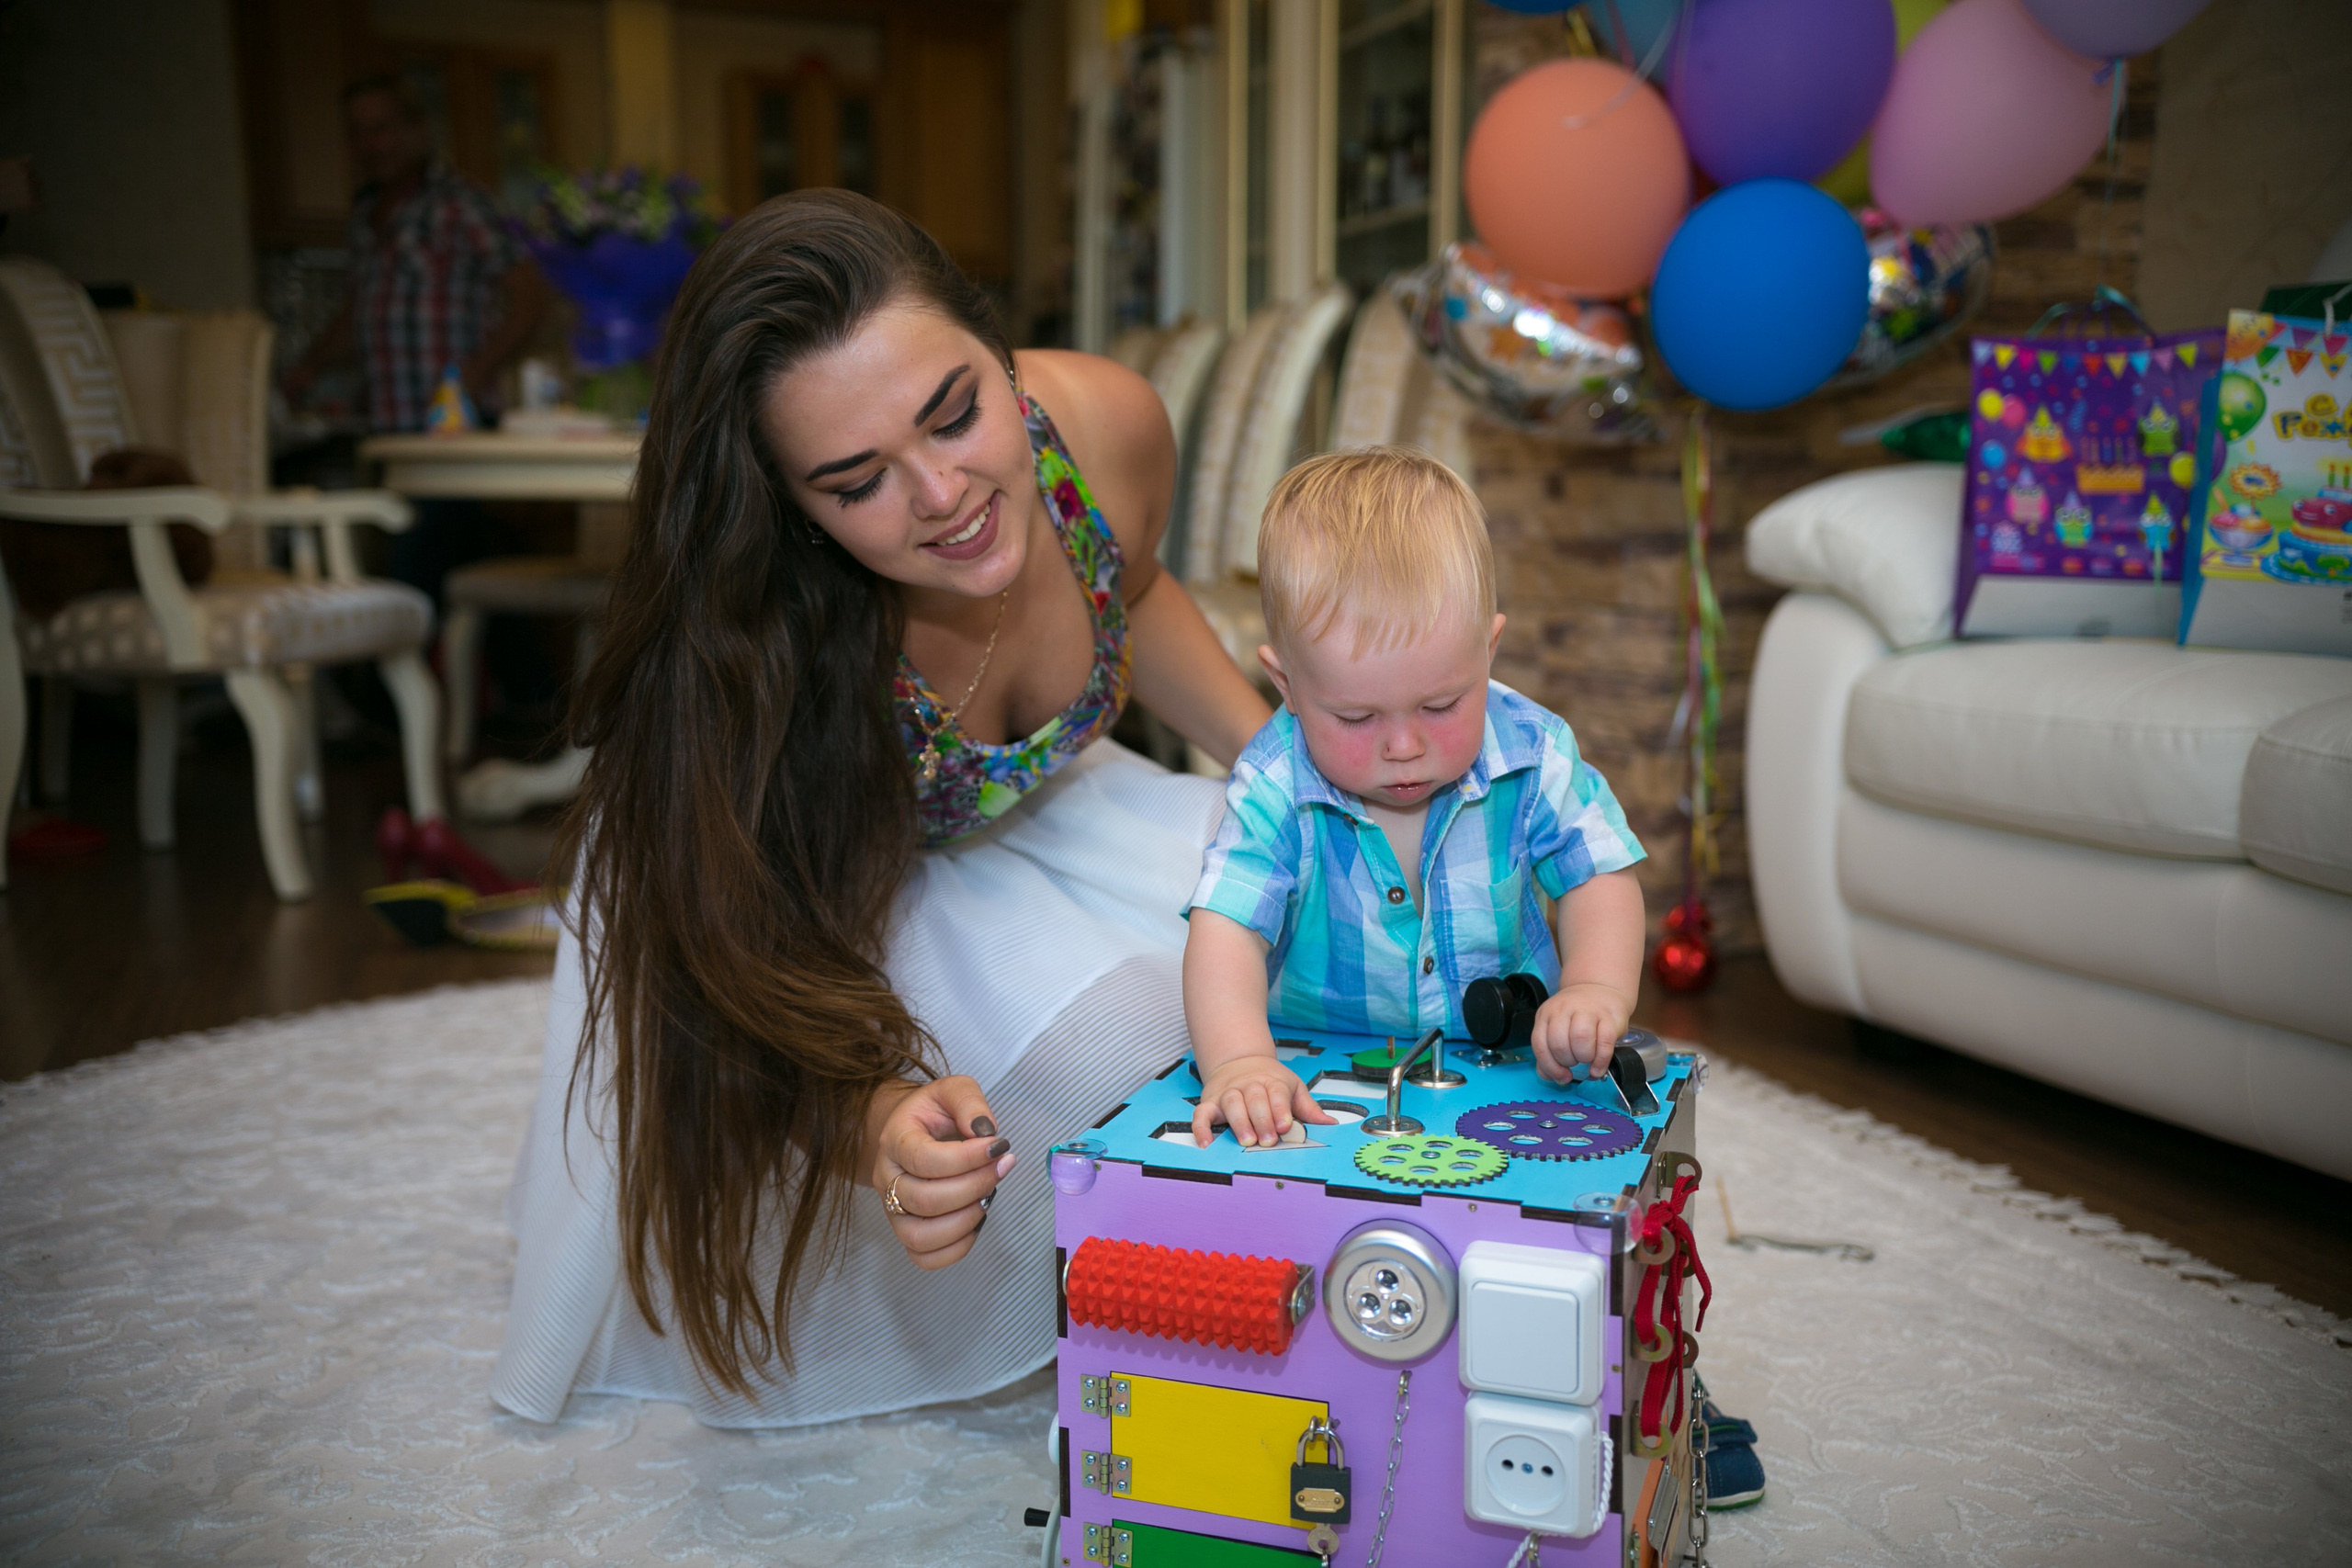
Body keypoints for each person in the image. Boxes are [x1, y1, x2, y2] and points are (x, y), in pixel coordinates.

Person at [490, 190, 1272, 1427]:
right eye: (857, 482)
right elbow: (736, 981)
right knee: (1121, 1033)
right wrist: (872, 1129)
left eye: (956, 412)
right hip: (799, 877)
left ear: (1000, 350)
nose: (942, 493)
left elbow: (1130, 579)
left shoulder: (1107, 424)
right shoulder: (767, 661)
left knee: (1280, 946)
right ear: (790, 508)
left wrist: (1278, 770)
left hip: (1047, 807)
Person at [1182, 447, 1647, 1148]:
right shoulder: (1275, 781)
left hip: (1509, 1064)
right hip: (1316, 1069)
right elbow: (1226, 928)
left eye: (1440, 705)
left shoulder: (1533, 752)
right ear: (1287, 685)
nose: (1403, 745)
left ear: (1488, 652)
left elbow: (1598, 875)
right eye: (1356, 717)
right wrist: (1241, 1059)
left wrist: (1594, 988)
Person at [281, 74, 553, 718]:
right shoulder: (365, 216)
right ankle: (536, 695)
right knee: (470, 558)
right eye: (358, 132)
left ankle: (380, 709)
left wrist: (476, 368)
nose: (370, 143)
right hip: (392, 426)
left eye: (382, 127)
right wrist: (311, 365)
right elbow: (362, 309)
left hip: (452, 425)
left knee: (417, 561)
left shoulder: (460, 205)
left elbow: (529, 293)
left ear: (415, 131)